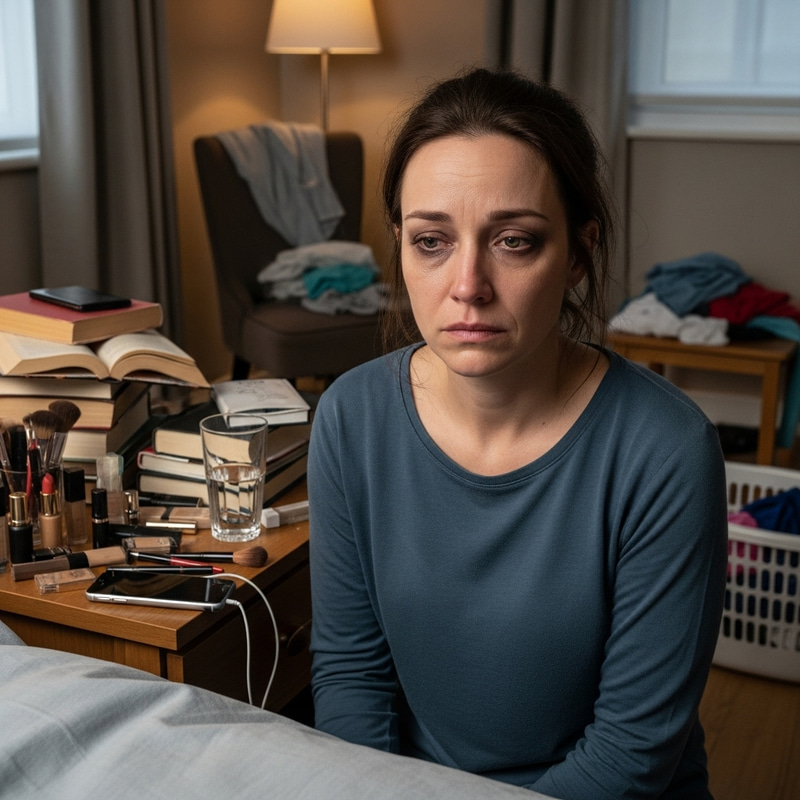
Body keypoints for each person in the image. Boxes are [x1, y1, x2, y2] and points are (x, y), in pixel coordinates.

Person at [307, 67, 728, 800]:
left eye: (514, 241)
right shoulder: (350, 419)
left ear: (576, 254)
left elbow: (630, 754)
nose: (468, 284)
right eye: (432, 240)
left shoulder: (666, 450)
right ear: (401, 247)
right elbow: (352, 677)